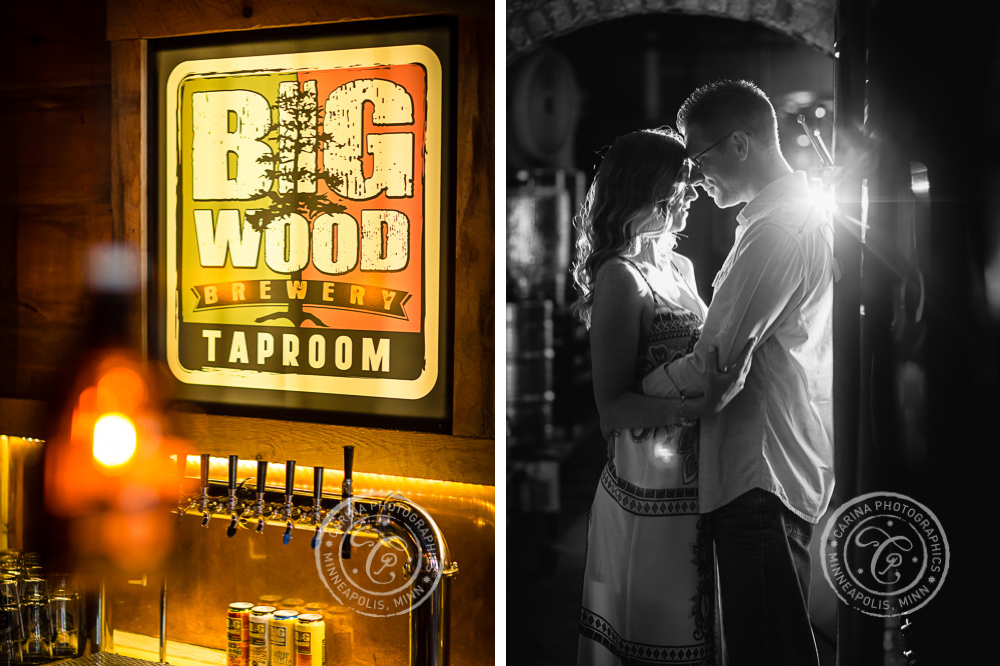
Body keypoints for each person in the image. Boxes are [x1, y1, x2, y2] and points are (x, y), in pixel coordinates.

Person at [642, 80, 836, 666]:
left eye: (699, 159)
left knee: (768, 651)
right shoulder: (784, 219)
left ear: (741, 144)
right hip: (779, 462)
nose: (696, 180)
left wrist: (636, 390)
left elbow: (715, 363)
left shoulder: (775, 231)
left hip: (758, 471)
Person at [573, 128, 752, 666]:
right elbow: (612, 407)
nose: (695, 193)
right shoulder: (619, 278)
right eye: (684, 181)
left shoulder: (679, 267)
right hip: (644, 491)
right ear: (649, 187)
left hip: (699, 484)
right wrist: (696, 408)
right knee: (656, 640)